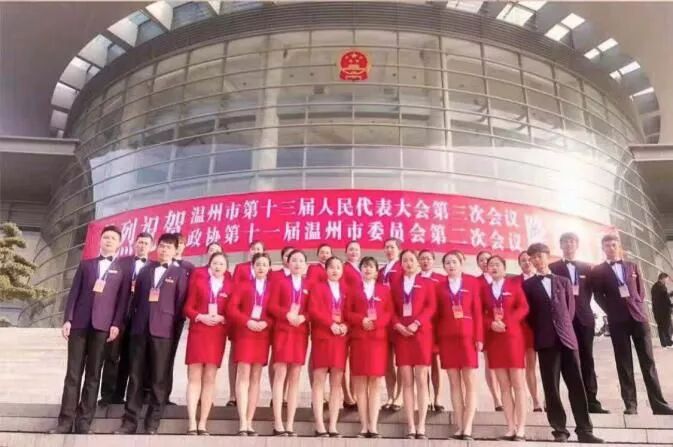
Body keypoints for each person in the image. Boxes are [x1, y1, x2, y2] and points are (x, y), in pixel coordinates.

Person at [49, 225, 130, 434]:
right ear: (100, 240)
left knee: (93, 376)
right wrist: (68, 319)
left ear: (119, 243)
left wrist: (116, 324)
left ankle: (84, 423)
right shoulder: (86, 265)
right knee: (73, 374)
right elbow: (74, 293)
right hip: (79, 325)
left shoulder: (123, 270)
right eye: (106, 237)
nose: (109, 241)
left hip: (103, 328)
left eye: (113, 238)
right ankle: (65, 422)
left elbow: (122, 301)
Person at [523, 243, 604, 443]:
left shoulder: (563, 281)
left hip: (568, 339)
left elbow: (570, 310)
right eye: (532, 257)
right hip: (546, 341)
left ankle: (585, 430)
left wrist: (564, 329)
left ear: (547, 256)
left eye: (539, 256)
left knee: (577, 385)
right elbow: (529, 315)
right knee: (551, 387)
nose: (536, 260)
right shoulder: (528, 285)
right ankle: (559, 429)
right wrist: (544, 329)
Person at [591, 234, 673, 415]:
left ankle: (659, 404)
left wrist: (636, 305)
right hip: (617, 321)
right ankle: (630, 405)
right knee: (624, 363)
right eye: (607, 246)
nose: (611, 248)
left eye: (614, 245)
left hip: (639, 319)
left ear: (619, 246)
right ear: (603, 249)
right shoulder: (598, 271)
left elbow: (640, 291)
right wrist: (612, 310)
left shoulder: (632, 266)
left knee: (648, 362)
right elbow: (597, 296)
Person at [115, 233, 188, 435]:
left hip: (163, 332)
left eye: (168, 247)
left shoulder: (180, 273)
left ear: (175, 250)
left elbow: (180, 305)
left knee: (158, 378)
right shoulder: (146, 270)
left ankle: (152, 423)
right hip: (140, 329)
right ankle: (129, 422)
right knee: (135, 376)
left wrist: (172, 331)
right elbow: (136, 299)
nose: (164, 250)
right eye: (162, 246)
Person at [549, 232, 608, 413]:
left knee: (587, 359)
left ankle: (592, 401)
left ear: (577, 245)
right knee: (565, 361)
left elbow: (595, 292)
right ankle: (570, 402)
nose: (569, 245)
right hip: (563, 321)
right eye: (566, 242)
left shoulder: (588, 268)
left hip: (584, 319)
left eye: (572, 242)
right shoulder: (553, 268)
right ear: (560, 245)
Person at [99, 231, 153, 407]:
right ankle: (108, 396)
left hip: (140, 320)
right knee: (112, 356)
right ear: (134, 244)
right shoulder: (121, 263)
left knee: (134, 358)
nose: (142, 246)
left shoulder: (154, 267)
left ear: (151, 247)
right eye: (140, 242)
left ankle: (131, 397)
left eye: (146, 243)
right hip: (119, 317)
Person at [182, 252, 232, 435]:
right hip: (199, 331)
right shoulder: (199, 283)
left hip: (217, 334)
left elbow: (233, 310)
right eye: (215, 263)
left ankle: (203, 423)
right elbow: (188, 308)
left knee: (210, 377)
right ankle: (191, 422)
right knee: (194, 376)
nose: (218, 267)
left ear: (226, 268)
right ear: (210, 266)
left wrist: (223, 318)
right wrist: (200, 316)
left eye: (221, 264)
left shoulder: (230, 286)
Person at [435, 250, 482, 441]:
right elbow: (437, 315)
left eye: (454, 262)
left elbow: (477, 311)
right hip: (447, 337)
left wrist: (479, 337)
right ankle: (459, 426)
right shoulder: (439, 286)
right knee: (454, 383)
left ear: (461, 264)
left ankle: (468, 426)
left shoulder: (472, 282)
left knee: (469, 382)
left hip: (467, 337)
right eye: (447, 263)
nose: (451, 265)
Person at [390, 249, 436, 439]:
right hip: (402, 335)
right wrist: (397, 325)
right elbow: (390, 309)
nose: (408, 263)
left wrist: (417, 323)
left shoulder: (426, 283)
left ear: (417, 263)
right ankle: (410, 425)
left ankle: (421, 425)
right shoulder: (395, 284)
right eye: (405, 260)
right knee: (407, 381)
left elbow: (431, 306)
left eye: (411, 260)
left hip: (421, 334)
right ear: (400, 264)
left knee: (421, 380)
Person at [345, 256, 392, 438]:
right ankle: (364, 425)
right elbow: (347, 312)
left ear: (376, 271)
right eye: (364, 266)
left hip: (378, 340)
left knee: (375, 383)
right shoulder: (353, 289)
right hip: (359, 339)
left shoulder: (384, 290)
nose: (368, 269)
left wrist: (377, 323)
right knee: (360, 383)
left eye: (371, 266)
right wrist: (361, 320)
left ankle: (373, 425)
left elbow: (389, 312)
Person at [482, 255, 528, 441]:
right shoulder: (484, 290)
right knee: (504, 386)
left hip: (512, 337)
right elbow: (481, 312)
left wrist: (507, 322)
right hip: (495, 338)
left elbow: (523, 308)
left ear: (504, 267)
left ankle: (521, 427)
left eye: (497, 265)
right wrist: (490, 323)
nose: (493, 268)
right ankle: (510, 426)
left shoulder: (514, 286)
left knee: (518, 384)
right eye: (491, 265)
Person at [228, 252, 274, 435]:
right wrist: (247, 321)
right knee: (243, 375)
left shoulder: (272, 287)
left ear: (269, 268)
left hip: (262, 334)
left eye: (264, 265)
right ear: (253, 267)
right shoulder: (243, 285)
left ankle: (250, 421)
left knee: (256, 377)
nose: (261, 268)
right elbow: (232, 308)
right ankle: (242, 422)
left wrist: (266, 323)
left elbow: (276, 310)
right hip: (245, 333)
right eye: (258, 264)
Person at [268, 249, 310, 437]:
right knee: (280, 374)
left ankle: (290, 424)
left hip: (300, 332)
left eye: (301, 260)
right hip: (283, 332)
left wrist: (303, 317)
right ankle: (278, 422)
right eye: (294, 260)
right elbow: (271, 305)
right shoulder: (280, 282)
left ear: (305, 265)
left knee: (295, 377)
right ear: (288, 263)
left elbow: (312, 308)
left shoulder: (309, 285)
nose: (297, 263)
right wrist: (286, 314)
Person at [308, 256, 350, 437]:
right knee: (319, 381)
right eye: (331, 267)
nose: (335, 270)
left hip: (340, 339)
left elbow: (350, 312)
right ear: (325, 270)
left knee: (336, 383)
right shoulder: (318, 288)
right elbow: (313, 310)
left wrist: (346, 325)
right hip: (323, 337)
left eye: (338, 267)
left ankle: (333, 425)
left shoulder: (346, 290)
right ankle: (319, 424)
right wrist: (329, 323)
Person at [228, 240, 266, 408]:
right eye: (254, 249)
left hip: (260, 326)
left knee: (255, 367)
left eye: (259, 249)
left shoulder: (266, 272)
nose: (256, 251)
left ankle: (249, 401)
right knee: (237, 357)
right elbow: (234, 291)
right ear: (249, 251)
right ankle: (233, 394)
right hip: (242, 321)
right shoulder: (241, 268)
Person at [165, 233, 193, 405]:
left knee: (169, 356)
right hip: (158, 317)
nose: (179, 246)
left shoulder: (189, 267)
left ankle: (164, 394)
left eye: (181, 243)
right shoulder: (158, 264)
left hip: (177, 318)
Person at [514, 251, 543, 413]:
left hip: (541, 326)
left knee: (545, 365)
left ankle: (548, 398)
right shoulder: (513, 282)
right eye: (523, 260)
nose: (527, 263)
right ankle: (535, 400)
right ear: (519, 264)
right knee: (529, 365)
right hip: (523, 327)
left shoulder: (542, 278)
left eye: (529, 260)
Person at [475, 250, 503, 412]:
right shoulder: (476, 282)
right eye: (481, 260)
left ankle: (506, 394)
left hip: (504, 325)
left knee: (503, 361)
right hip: (487, 325)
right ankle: (497, 399)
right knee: (490, 362)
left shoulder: (504, 280)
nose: (485, 262)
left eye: (488, 259)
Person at [418, 249, 445, 413]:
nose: (425, 261)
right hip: (419, 325)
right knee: (422, 362)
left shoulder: (441, 278)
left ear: (433, 261)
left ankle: (437, 397)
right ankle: (426, 397)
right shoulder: (415, 279)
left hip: (436, 324)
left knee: (435, 361)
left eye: (428, 258)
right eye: (422, 258)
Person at [379, 238, 403, 412]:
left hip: (400, 317)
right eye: (386, 247)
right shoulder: (381, 271)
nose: (389, 250)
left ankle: (400, 395)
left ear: (399, 249)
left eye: (392, 247)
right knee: (387, 361)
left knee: (401, 359)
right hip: (384, 317)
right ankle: (390, 394)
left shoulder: (402, 266)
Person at [340, 241, 361, 410]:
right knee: (342, 357)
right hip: (344, 315)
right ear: (346, 252)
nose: (354, 252)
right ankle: (346, 394)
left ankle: (355, 393)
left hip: (358, 317)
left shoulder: (362, 268)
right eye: (351, 249)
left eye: (356, 249)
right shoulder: (343, 268)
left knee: (355, 357)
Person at [651, 273, 673, 348]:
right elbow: (665, 299)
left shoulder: (654, 286)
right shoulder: (662, 287)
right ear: (663, 278)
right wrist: (671, 305)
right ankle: (668, 342)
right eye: (667, 279)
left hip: (657, 311)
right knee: (667, 326)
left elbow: (662, 297)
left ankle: (664, 343)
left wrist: (670, 294)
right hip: (664, 311)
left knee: (661, 327)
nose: (667, 281)